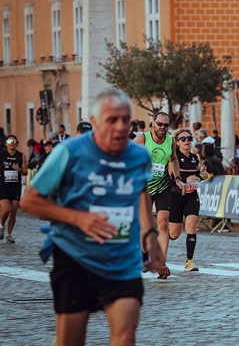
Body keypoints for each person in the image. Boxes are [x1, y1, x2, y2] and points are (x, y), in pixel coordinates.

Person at [21, 89, 164, 346]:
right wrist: (79, 219)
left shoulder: (139, 156)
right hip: (76, 257)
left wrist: (150, 235)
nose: (121, 127)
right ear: (95, 122)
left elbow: (140, 192)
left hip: (123, 260)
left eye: (125, 119)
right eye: (112, 120)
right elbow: (30, 200)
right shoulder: (70, 151)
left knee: (125, 335)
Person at [133, 111, 183, 280]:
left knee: (163, 224)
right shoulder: (142, 139)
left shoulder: (170, 141)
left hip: (163, 186)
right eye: (160, 124)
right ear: (153, 124)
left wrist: (177, 178)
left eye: (166, 125)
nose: (163, 128)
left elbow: (174, 160)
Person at [169, 129, 202, 272]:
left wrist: (202, 175)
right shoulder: (173, 157)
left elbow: (197, 174)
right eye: (183, 139)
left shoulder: (194, 158)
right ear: (177, 142)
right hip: (175, 196)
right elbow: (170, 177)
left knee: (191, 225)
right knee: (174, 234)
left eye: (189, 138)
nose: (187, 141)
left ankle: (189, 261)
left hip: (191, 196)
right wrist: (184, 179)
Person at [0, 135, 27, 243]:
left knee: (13, 211)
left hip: (15, 186)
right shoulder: (1, 155)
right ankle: (1, 226)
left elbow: (26, 172)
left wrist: (19, 169)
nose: (12, 143)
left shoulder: (21, 156)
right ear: (6, 143)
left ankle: (9, 235)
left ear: (17, 143)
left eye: (14, 141)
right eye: (10, 141)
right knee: (6, 209)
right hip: (3, 186)